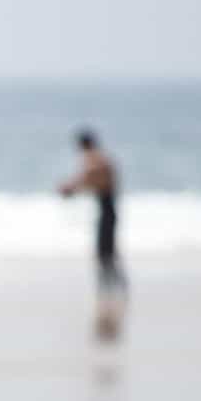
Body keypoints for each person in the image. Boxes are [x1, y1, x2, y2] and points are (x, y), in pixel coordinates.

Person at [58, 128, 127, 303]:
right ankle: (112, 289)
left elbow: (92, 177)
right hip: (108, 208)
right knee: (107, 252)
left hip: (107, 209)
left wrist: (72, 188)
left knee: (104, 252)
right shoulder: (99, 158)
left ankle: (111, 290)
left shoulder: (95, 158)